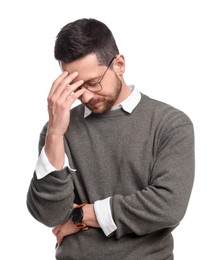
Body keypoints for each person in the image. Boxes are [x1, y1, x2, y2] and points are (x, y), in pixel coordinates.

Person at [27, 18, 195, 260]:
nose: (84, 96)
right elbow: (50, 215)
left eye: (93, 83)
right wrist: (55, 133)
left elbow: (168, 206)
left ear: (119, 64)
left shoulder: (170, 124)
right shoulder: (59, 129)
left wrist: (81, 215)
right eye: (75, 86)